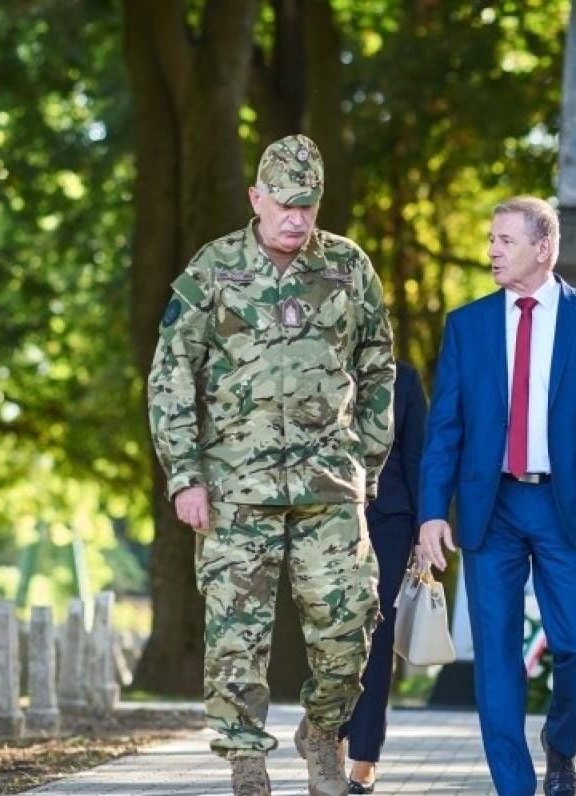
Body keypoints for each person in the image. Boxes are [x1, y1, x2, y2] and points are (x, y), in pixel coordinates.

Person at [147, 133, 396, 796]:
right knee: (235, 635)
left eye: (308, 206)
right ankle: (245, 758)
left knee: (350, 620)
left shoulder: (347, 266)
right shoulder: (214, 268)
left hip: (328, 483)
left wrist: (367, 463)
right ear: (256, 197)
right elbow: (171, 372)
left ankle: (323, 733)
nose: (296, 218)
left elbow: (378, 366)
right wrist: (185, 475)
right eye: (284, 203)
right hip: (235, 486)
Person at [416, 196, 576, 796]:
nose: (492, 249)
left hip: (564, 506)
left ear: (543, 247)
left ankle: (560, 741)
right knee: (495, 660)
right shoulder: (466, 325)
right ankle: (515, 787)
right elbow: (444, 430)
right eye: (491, 239)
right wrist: (429, 515)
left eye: (505, 240)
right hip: (488, 508)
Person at [342, 361, 428, 793]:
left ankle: (364, 754)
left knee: (377, 631)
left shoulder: (405, 379)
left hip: (390, 519)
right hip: (325, 517)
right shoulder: (309, 355)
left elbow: (416, 453)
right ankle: (330, 732)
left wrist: (422, 530)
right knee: (330, 628)